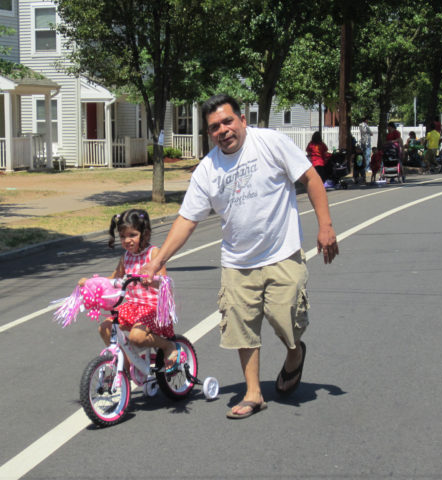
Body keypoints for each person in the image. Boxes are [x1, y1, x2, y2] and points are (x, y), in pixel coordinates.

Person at [140, 94, 338, 419]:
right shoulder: (207, 170)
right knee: (241, 327)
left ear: (242, 120)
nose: (223, 130)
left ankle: (294, 353)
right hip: (237, 262)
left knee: (287, 320)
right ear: (210, 133)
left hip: (282, 252)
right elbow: (187, 219)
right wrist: (159, 259)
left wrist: (325, 226)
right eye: (215, 127)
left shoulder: (270, 143)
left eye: (228, 121)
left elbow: (310, 178)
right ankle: (254, 392)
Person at [79, 209, 180, 371]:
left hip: (153, 308)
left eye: (132, 235)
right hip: (133, 306)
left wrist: (151, 280)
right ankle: (125, 366)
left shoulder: (153, 253)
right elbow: (112, 280)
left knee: (136, 338)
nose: (127, 240)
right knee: (104, 328)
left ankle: (167, 346)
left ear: (145, 233)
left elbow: (164, 283)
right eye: (123, 236)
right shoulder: (125, 257)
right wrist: (91, 283)